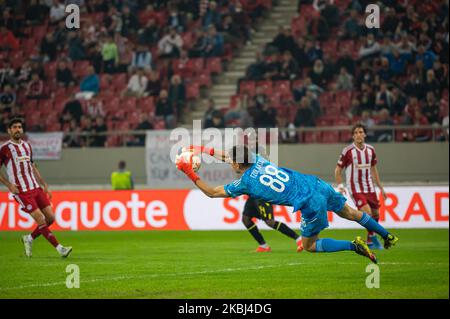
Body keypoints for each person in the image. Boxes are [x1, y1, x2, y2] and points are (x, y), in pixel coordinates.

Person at [177, 144, 399, 263]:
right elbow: (230, 156)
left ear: (237, 163)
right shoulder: (257, 159)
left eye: (232, 161)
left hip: (309, 203)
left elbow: (212, 193)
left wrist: (189, 172)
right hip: (315, 183)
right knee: (350, 212)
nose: (229, 162)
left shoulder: (244, 183)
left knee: (310, 245)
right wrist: (201, 149)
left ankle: (354, 246)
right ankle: (386, 234)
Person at [0, 118, 72, 258]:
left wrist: (44, 185)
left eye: (19, 127)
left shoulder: (27, 146)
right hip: (21, 191)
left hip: (35, 187)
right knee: (40, 218)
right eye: (14, 127)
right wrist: (9, 185)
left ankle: (29, 238)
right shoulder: (4, 148)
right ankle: (60, 248)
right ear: (9, 130)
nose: (17, 129)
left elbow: (32, 166)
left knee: (51, 218)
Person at [334, 124, 387, 250]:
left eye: (361, 132)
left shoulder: (371, 150)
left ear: (365, 134)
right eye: (356, 132)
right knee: (367, 212)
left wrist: (381, 188)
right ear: (353, 136)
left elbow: (374, 169)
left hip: (369, 187)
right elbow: (337, 170)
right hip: (355, 188)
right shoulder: (348, 151)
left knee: (376, 213)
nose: (358, 134)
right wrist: (341, 186)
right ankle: (373, 238)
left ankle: (369, 240)